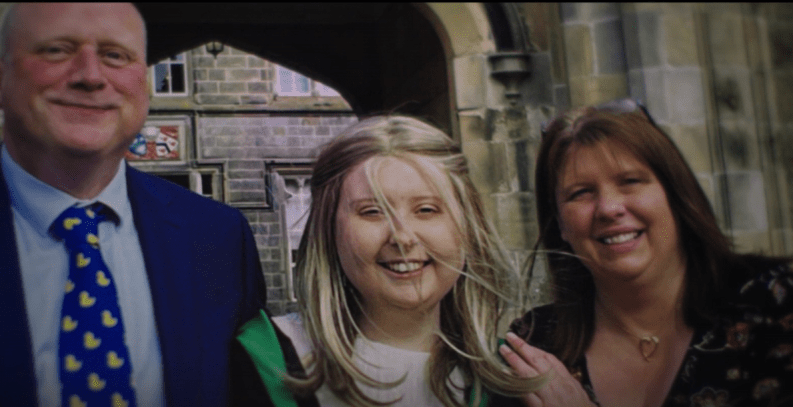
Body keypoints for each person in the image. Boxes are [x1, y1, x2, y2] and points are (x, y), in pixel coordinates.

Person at [0, 3, 265, 407]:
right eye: (57, 50)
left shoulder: (219, 238)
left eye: (116, 56)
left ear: (144, 86)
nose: (91, 76)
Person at [229, 115, 542, 407]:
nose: (403, 237)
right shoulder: (265, 359)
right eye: (372, 211)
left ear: (467, 227)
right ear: (329, 231)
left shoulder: (517, 379)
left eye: (427, 210)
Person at [500, 99, 793, 407]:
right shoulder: (534, 346)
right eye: (581, 193)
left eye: (630, 181)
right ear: (559, 222)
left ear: (675, 194)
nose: (609, 208)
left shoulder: (772, 306)